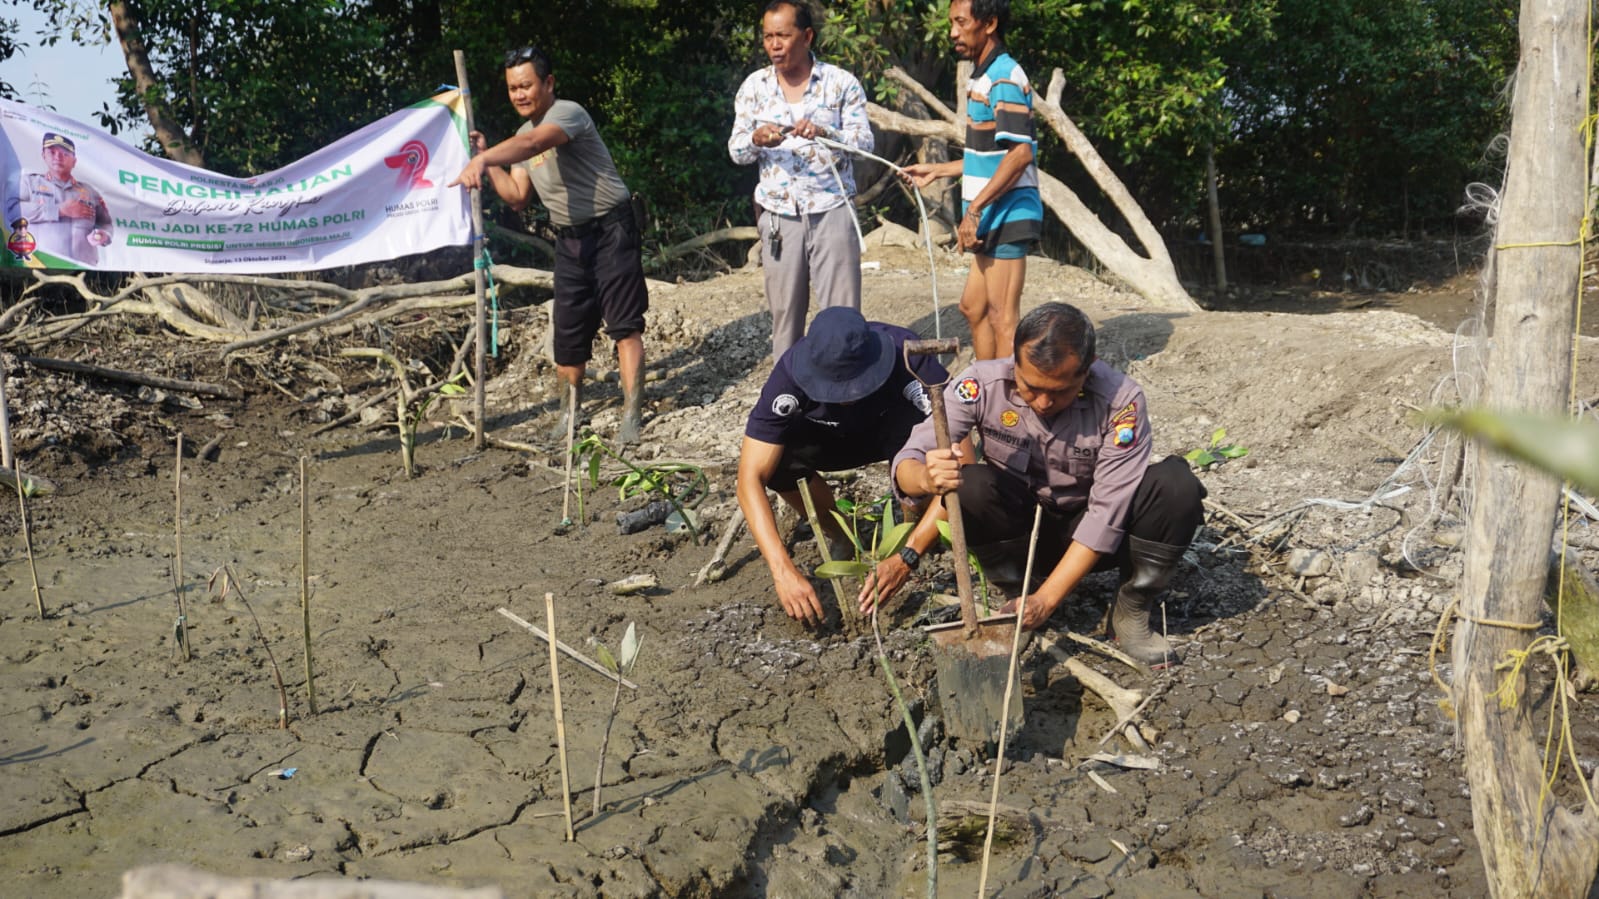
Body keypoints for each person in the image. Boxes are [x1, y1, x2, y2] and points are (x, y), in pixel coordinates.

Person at [890, 303, 1204, 667]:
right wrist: (925, 477)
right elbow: (909, 457)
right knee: (970, 484)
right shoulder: (981, 384)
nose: (1042, 403)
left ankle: (1130, 610)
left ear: (1086, 372)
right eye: (1030, 387)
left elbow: (1106, 514)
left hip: (1093, 538)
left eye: (1059, 392)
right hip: (1021, 535)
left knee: (1176, 485)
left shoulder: (1121, 402)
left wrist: (1047, 600)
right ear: (1015, 362)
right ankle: (1016, 595)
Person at [449, 45, 649, 445]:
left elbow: (535, 144)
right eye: (512, 88)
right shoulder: (521, 136)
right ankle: (568, 415)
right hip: (570, 239)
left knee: (624, 323)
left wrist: (484, 161)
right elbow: (517, 195)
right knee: (568, 331)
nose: (519, 94)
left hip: (611, 229)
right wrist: (485, 159)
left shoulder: (567, 114)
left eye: (526, 85)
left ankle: (632, 413)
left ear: (548, 83)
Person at [737, 307, 949, 625]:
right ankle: (842, 536)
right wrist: (782, 570)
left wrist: (908, 556)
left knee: (932, 462)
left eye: (856, 385)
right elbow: (748, 478)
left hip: (896, 434)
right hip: (830, 437)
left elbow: (958, 461)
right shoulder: (790, 374)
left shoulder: (909, 356)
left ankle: (916, 530)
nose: (847, 396)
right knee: (778, 464)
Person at [729, 0, 874, 360]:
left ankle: (845, 398)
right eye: (767, 37)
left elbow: (864, 146)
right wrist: (756, 140)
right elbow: (736, 151)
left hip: (832, 210)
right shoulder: (754, 87)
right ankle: (788, 401)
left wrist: (826, 132)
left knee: (842, 316)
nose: (774, 45)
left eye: (783, 35)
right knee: (785, 316)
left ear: (807, 36)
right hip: (778, 216)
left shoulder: (841, 84)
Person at [901, 0, 1042, 361]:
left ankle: (1010, 408)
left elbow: (1020, 155)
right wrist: (938, 170)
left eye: (961, 22)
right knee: (973, 309)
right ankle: (987, 388)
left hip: (1007, 215)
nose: (952, 32)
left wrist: (974, 210)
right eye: (952, 23)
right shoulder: (982, 74)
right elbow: (989, 156)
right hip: (991, 214)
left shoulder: (1004, 77)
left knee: (1003, 318)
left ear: (990, 22)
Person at [5, 133, 114, 265]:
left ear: (74, 161)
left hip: (83, 268)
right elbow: (12, 212)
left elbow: (106, 223)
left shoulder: (90, 192)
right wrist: (59, 210)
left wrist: (104, 235)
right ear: (43, 155)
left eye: (65, 154)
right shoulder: (29, 183)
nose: (58, 157)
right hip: (41, 264)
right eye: (52, 152)